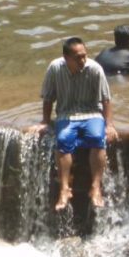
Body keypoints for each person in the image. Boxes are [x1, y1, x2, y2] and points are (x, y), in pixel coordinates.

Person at [29, 37, 116, 210]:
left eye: (84, 55)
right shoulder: (55, 68)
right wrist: (45, 121)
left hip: (91, 112)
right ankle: (64, 189)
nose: (83, 60)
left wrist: (109, 125)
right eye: (78, 57)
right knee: (63, 140)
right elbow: (48, 98)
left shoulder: (95, 69)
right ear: (66, 57)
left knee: (98, 138)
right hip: (66, 114)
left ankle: (96, 187)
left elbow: (106, 99)